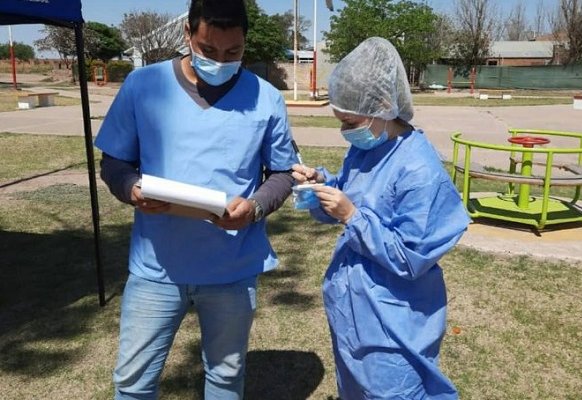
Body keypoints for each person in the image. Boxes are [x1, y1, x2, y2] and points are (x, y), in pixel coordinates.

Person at [94, 1, 298, 398]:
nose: (220, 61)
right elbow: (114, 161)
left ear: (244, 43)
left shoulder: (267, 98)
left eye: (233, 53)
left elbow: (284, 173)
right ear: (187, 35)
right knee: (133, 382)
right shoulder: (143, 86)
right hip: (157, 268)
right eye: (208, 50)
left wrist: (255, 207)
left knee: (225, 376)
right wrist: (130, 188)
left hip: (232, 270)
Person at [292, 37, 470, 399]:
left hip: (393, 321)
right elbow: (349, 192)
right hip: (354, 311)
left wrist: (352, 216)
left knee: (393, 391)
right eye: (340, 122)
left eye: (351, 122)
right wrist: (322, 185)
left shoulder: (419, 169)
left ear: (385, 106)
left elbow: (410, 257)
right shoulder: (365, 149)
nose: (346, 132)